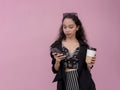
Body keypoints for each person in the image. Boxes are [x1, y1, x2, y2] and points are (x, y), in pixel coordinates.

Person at [50, 13, 96, 90]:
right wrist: (57, 61)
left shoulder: (84, 47)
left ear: (77, 27)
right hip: (65, 82)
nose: (67, 30)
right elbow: (55, 70)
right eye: (64, 27)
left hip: (83, 82)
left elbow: (88, 69)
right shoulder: (57, 46)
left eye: (70, 27)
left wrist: (89, 64)